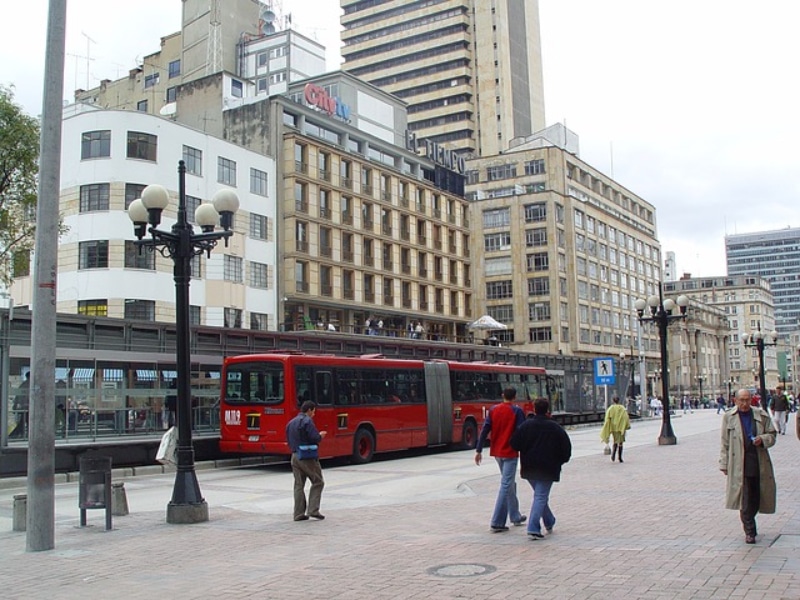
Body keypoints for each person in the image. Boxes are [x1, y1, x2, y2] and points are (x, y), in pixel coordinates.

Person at [719, 389, 777, 544]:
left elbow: (772, 435)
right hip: (739, 464)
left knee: (756, 498)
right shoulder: (729, 417)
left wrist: (762, 439)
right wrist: (723, 463)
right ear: (735, 401)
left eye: (747, 400)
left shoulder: (760, 415)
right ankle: (749, 531)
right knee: (744, 499)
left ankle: (751, 520)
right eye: (741, 400)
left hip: (757, 462)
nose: (744, 403)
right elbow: (724, 443)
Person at [510, 398, 572, 541]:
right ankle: (533, 527)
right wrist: (560, 461)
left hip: (530, 467)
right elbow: (566, 449)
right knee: (540, 496)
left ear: (534, 409)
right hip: (548, 468)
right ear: (548, 410)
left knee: (540, 496)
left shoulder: (526, 426)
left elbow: (514, 443)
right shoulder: (555, 428)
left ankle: (549, 520)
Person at [474, 388, 526, 532]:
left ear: (503, 395)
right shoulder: (517, 411)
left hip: (497, 452)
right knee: (506, 484)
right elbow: (522, 433)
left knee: (508, 483)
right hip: (510, 452)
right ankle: (497, 521)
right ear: (515, 397)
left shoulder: (493, 410)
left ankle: (515, 515)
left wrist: (478, 450)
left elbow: (485, 430)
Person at [285, 400, 327, 522]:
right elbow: (314, 437)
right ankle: (313, 510)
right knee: (318, 482)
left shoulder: (291, 423)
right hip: (307, 456)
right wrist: (321, 436)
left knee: (299, 485)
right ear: (309, 410)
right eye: (313, 411)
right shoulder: (307, 421)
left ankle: (298, 513)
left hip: (294, 456)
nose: (314, 414)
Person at [600, 396, 631, 462]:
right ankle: (620, 457)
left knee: (615, 441)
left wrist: (607, 427)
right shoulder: (622, 408)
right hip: (621, 428)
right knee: (621, 442)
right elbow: (626, 417)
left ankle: (613, 454)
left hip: (614, 428)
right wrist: (627, 426)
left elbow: (607, 419)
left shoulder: (610, 409)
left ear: (613, 401)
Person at [10, 371, 30, 439]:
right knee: (25, 422)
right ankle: (15, 435)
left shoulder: (23, 384)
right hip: (28, 407)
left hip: (24, 407)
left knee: (24, 422)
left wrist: (15, 406)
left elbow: (18, 397)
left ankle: (17, 434)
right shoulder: (29, 384)